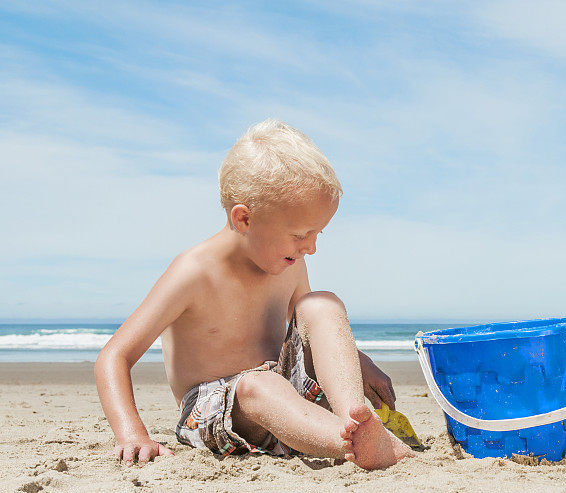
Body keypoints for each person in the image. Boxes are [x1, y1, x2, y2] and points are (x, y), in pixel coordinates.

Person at [95, 119, 415, 470]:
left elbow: (310, 337)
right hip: (217, 408)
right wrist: (131, 433)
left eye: (317, 234)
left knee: (320, 303)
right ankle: (352, 441)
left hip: (289, 396)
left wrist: (358, 362)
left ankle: (353, 415)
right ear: (245, 219)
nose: (310, 247)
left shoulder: (288, 263)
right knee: (258, 386)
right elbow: (114, 356)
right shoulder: (194, 272)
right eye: (300, 234)